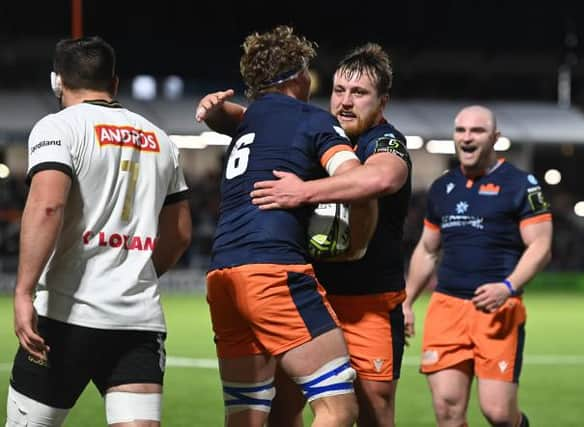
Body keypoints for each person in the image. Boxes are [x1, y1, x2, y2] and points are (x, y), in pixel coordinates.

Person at [198, 43, 412, 426]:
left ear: (382, 102)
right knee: (284, 409)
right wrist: (215, 111)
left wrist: (304, 191)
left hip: (368, 302)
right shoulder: (313, 127)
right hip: (310, 294)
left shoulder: (382, 140)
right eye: (339, 91)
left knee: (374, 412)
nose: (345, 102)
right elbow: (256, 118)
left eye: (359, 93)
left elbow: (381, 177)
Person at [5, 36, 192, 427]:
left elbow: (48, 205)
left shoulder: (58, 127)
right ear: (115, 83)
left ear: (58, 82)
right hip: (137, 322)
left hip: (65, 316)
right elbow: (179, 235)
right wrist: (135, 275)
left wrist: (23, 292)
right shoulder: (160, 139)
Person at [403, 105, 553, 427]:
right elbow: (427, 250)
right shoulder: (442, 187)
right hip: (446, 308)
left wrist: (508, 286)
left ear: (495, 138)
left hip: (497, 308)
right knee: (447, 409)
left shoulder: (520, 184)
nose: (467, 138)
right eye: (461, 131)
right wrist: (406, 301)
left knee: (498, 412)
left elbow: (541, 246)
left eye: (477, 131)